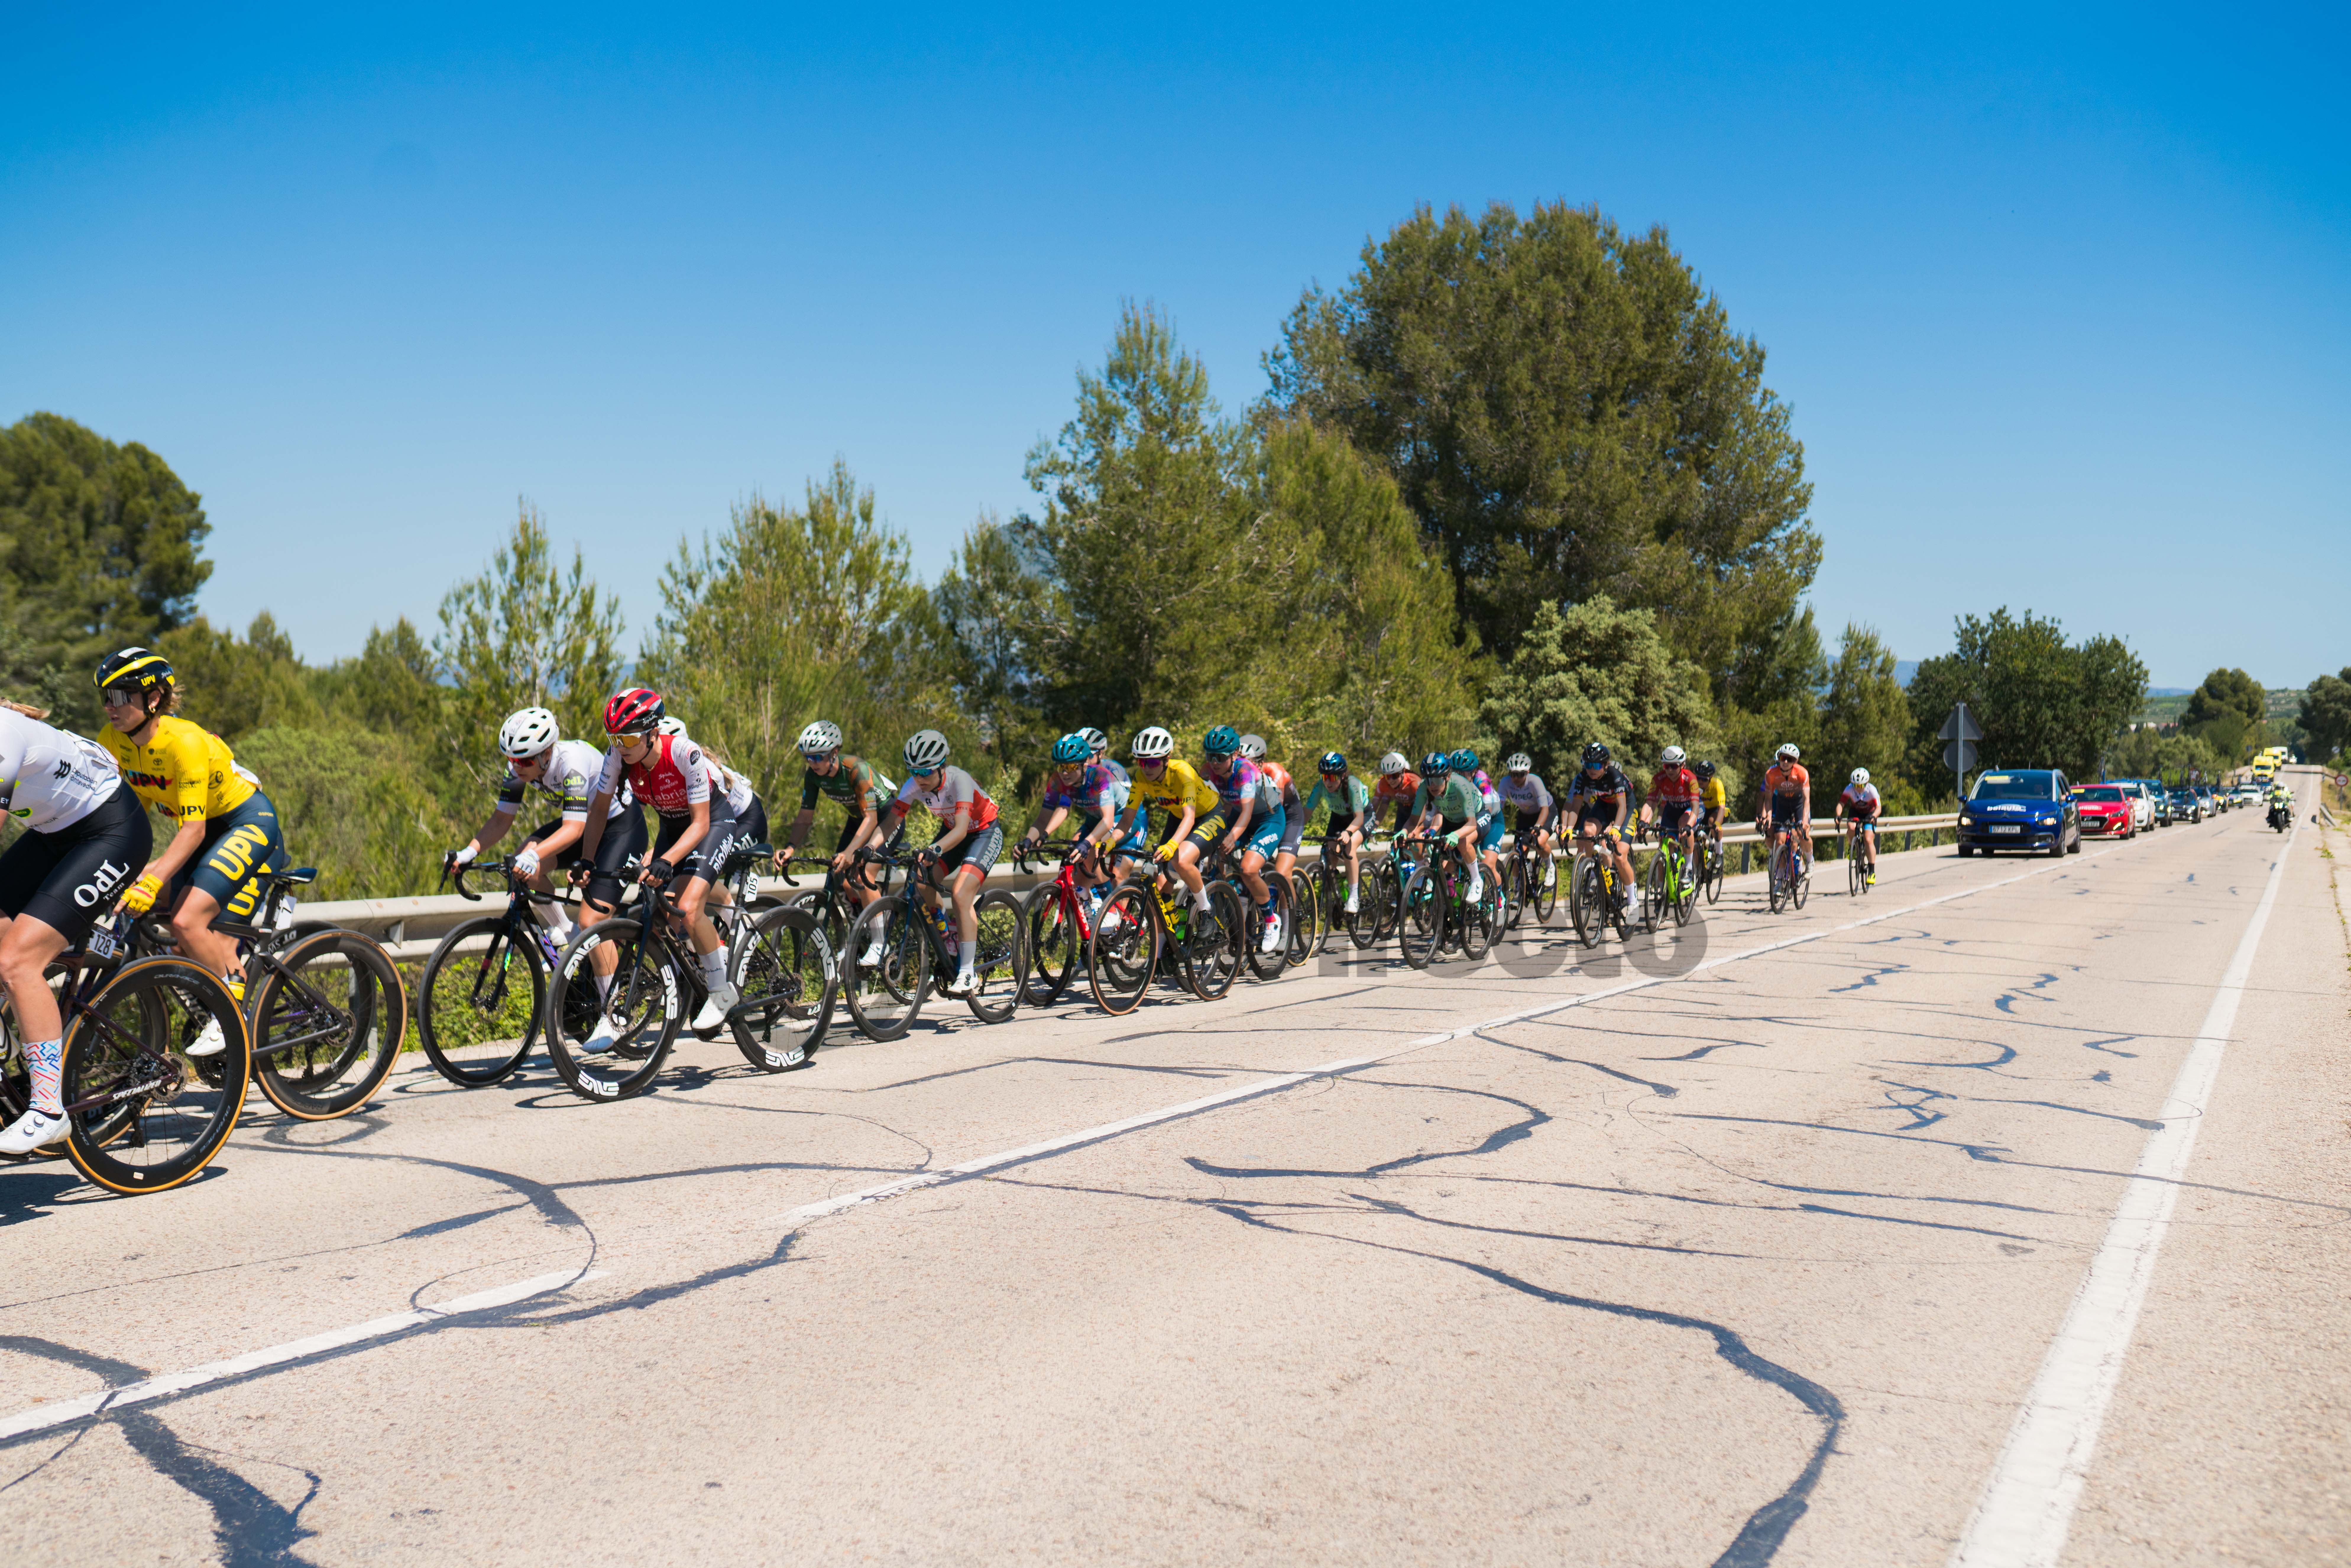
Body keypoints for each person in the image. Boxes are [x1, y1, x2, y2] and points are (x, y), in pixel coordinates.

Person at [92, 647, 287, 1058]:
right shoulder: (113, 741)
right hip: (204, 836)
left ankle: (234, 1015)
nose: (112, 707)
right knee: (180, 941)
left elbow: (194, 829)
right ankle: (217, 1000)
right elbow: (126, 821)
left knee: (188, 920)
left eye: (122, 696)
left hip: (244, 824)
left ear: (154, 699)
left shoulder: (185, 742)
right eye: (105, 696)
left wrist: (154, 877)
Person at [0, 698, 151, 1153]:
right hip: (55, 833)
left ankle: (48, 1109)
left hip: (111, 833)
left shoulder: (3, 732)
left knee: (18, 961)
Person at [571, 688, 738, 1046]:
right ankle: (614, 1014)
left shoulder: (684, 753)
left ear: (652, 733)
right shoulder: (618, 756)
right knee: (656, 914)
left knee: (690, 907)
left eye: (629, 737)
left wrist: (666, 861)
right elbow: (598, 811)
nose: (622, 745)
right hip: (671, 828)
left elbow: (700, 824)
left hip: (711, 824)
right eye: (615, 738)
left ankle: (721, 989)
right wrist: (587, 859)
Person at [447, 706, 642, 968]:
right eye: (512, 760)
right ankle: (568, 937)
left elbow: (573, 829)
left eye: (525, 761)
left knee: (592, 921)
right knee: (524, 865)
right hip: (585, 824)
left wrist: (534, 854)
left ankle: (613, 1004)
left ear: (547, 753)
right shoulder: (518, 768)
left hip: (620, 827)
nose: (517, 768)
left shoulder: (570, 764)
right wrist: (469, 852)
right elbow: (501, 819)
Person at [876, 729, 1002, 997]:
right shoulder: (914, 785)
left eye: (926, 772)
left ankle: (968, 973)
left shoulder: (960, 781)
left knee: (960, 892)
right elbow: (890, 823)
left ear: (941, 766)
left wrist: (934, 849)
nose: (919, 779)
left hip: (983, 832)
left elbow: (961, 830)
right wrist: (868, 848)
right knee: (922, 881)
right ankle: (949, 934)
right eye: (914, 771)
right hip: (953, 832)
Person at [781, 720, 898, 960]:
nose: (813, 763)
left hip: (885, 818)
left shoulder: (857, 769)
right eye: (808, 758)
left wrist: (852, 852)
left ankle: (880, 943)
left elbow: (872, 817)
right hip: (859, 819)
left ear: (834, 753)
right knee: (839, 875)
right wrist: (791, 847)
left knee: (863, 874)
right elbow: (805, 815)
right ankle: (863, 930)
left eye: (818, 757)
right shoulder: (813, 776)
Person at [1118, 725, 1226, 921]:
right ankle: (1167, 943)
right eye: (1142, 762)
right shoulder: (1141, 778)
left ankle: (1206, 911)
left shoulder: (1182, 772)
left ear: (1166, 759)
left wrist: (1173, 845)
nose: (1146, 768)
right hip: (1177, 818)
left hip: (1209, 815)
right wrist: (1108, 843)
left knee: (1181, 860)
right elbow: (1126, 820)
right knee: (1157, 893)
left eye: (1152, 762)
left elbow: (1190, 818)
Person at [1199, 726, 1283, 953]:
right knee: (1215, 861)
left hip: (1268, 818)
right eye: (1210, 756)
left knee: (1248, 869)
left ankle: (1270, 920)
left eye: (1221, 757)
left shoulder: (1245, 771)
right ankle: (1232, 911)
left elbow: (1246, 814)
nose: (1214, 762)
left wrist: (1232, 837)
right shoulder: (1209, 769)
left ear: (1234, 754)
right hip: (1238, 814)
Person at [1016, 732, 1127, 887]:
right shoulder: (1057, 781)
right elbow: (1043, 819)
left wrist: (1087, 844)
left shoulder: (1099, 777)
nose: (1065, 773)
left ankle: (1110, 908)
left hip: (1124, 818)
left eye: (1071, 767)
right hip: (1095, 819)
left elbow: (1108, 821)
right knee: (1076, 857)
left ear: (1084, 765)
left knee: (1092, 848)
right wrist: (1029, 840)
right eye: (1061, 767)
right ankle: (1087, 902)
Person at [1562, 742, 1637, 908]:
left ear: (1606, 765)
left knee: (1619, 856)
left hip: (1625, 807)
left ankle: (1633, 900)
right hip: (1603, 806)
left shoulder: (1614, 775)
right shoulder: (1582, 777)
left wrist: (1616, 828)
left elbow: (1622, 807)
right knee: (1588, 832)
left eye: (1596, 765)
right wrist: (1568, 829)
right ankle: (1594, 871)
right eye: (1588, 765)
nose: (1592, 769)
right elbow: (1575, 807)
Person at [1405, 750, 1485, 903]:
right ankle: (1449, 897)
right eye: (1429, 780)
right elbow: (1414, 820)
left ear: (1448, 777)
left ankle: (1476, 880)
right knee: (1437, 856)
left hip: (1477, 817)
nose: (1433, 785)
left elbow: (1472, 823)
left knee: (1463, 841)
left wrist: (1456, 835)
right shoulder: (1424, 788)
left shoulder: (1461, 785)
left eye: (1437, 780)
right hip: (1452, 820)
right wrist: (1404, 832)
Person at [1302, 751, 1372, 914]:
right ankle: (1340, 890)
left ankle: (1354, 895)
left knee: (1349, 848)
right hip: (1339, 818)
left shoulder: (1352, 785)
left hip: (1361, 816)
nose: (1328, 782)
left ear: (1343, 776)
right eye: (1325, 777)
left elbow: (1359, 818)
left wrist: (1349, 832)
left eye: (1333, 778)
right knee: (1330, 854)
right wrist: (1296, 830)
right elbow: (1307, 812)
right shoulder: (1321, 786)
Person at [1238, 735, 1307, 883]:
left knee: (1282, 873)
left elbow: (1277, 807)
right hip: (1262, 815)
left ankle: (1286, 907)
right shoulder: (1241, 775)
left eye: (1247, 762)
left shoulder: (1275, 772)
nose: (1243, 767)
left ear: (1260, 761)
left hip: (1289, 818)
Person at [1640, 746, 1701, 867]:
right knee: (1664, 846)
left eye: (1674, 766)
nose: (1670, 771)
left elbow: (1696, 807)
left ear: (1682, 765)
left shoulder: (1690, 779)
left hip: (1689, 809)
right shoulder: (1659, 779)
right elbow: (1650, 803)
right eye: (1666, 766)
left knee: (1683, 825)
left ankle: (1688, 867)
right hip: (1672, 810)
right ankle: (1663, 883)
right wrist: (1642, 821)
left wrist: (1689, 826)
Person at [1455, 748, 1505, 892]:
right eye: (1457, 773)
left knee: (1488, 865)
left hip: (1493, 820)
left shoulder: (1482, 780)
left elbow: (1488, 809)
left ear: (1474, 771)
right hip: (1470, 820)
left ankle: (1499, 896)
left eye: (1464, 773)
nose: (1460, 777)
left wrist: (1475, 832)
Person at [1760, 743, 1812, 879]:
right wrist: (1769, 816)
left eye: (1789, 760)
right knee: (1779, 841)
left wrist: (1805, 821)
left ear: (1795, 762)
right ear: (1779, 758)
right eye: (1783, 758)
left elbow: (1807, 800)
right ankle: (1780, 878)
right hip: (1783, 805)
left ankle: (1809, 860)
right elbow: (1768, 799)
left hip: (1799, 805)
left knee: (1802, 834)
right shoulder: (1771, 774)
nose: (1785, 762)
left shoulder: (1802, 773)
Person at [1497, 754, 1555, 863]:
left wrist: (1538, 826)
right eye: (1513, 775)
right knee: (1519, 851)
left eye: (1520, 775)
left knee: (1540, 841)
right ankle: (1518, 879)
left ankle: (1549, 865)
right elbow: (1499, 808)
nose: (1516, 778)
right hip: (1525, 815)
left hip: (1545, 812)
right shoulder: (1505, 783)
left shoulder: (1535, 782)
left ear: (1527, 773)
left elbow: (1545, 809)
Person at [1836, 767, 1882, 885]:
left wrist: (1874, 817)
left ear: (1866, 784)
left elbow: (1879, 808)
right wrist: (1838, 815)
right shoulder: (1849, 789)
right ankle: (1853, 847)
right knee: (1851, 827)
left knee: (1868, 839)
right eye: (1855, 785)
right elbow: (1841, 804)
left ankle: (1872, 871)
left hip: (1870, 814)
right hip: (1856, 812)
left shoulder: (1872, 790)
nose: (1858, 788)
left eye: (1861, 786)